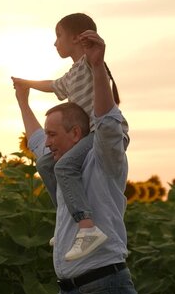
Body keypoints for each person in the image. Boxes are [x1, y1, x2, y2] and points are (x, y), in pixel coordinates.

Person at [14, 29, 137, 294]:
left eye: (53, 135)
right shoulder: (61, 165)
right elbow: (35, 140)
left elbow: (107, 123)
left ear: (76, 133)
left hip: (102, 290)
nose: (47, 142)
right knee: (52, 166)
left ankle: (86, 226)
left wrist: (96, 67)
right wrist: (23, 101)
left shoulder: (102, 159)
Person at [12, 13, 125, 261]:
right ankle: (70, 219)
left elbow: (101, 82)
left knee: (63, 166)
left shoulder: (89, 63)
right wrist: (26, 84)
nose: (55, 43)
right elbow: (53, 85)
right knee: (45, 163)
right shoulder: (73, 74)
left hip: (97, 132)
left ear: (76, 37)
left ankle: (86, 227)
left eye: (58, 36)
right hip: (84, 136)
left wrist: (96, 58)